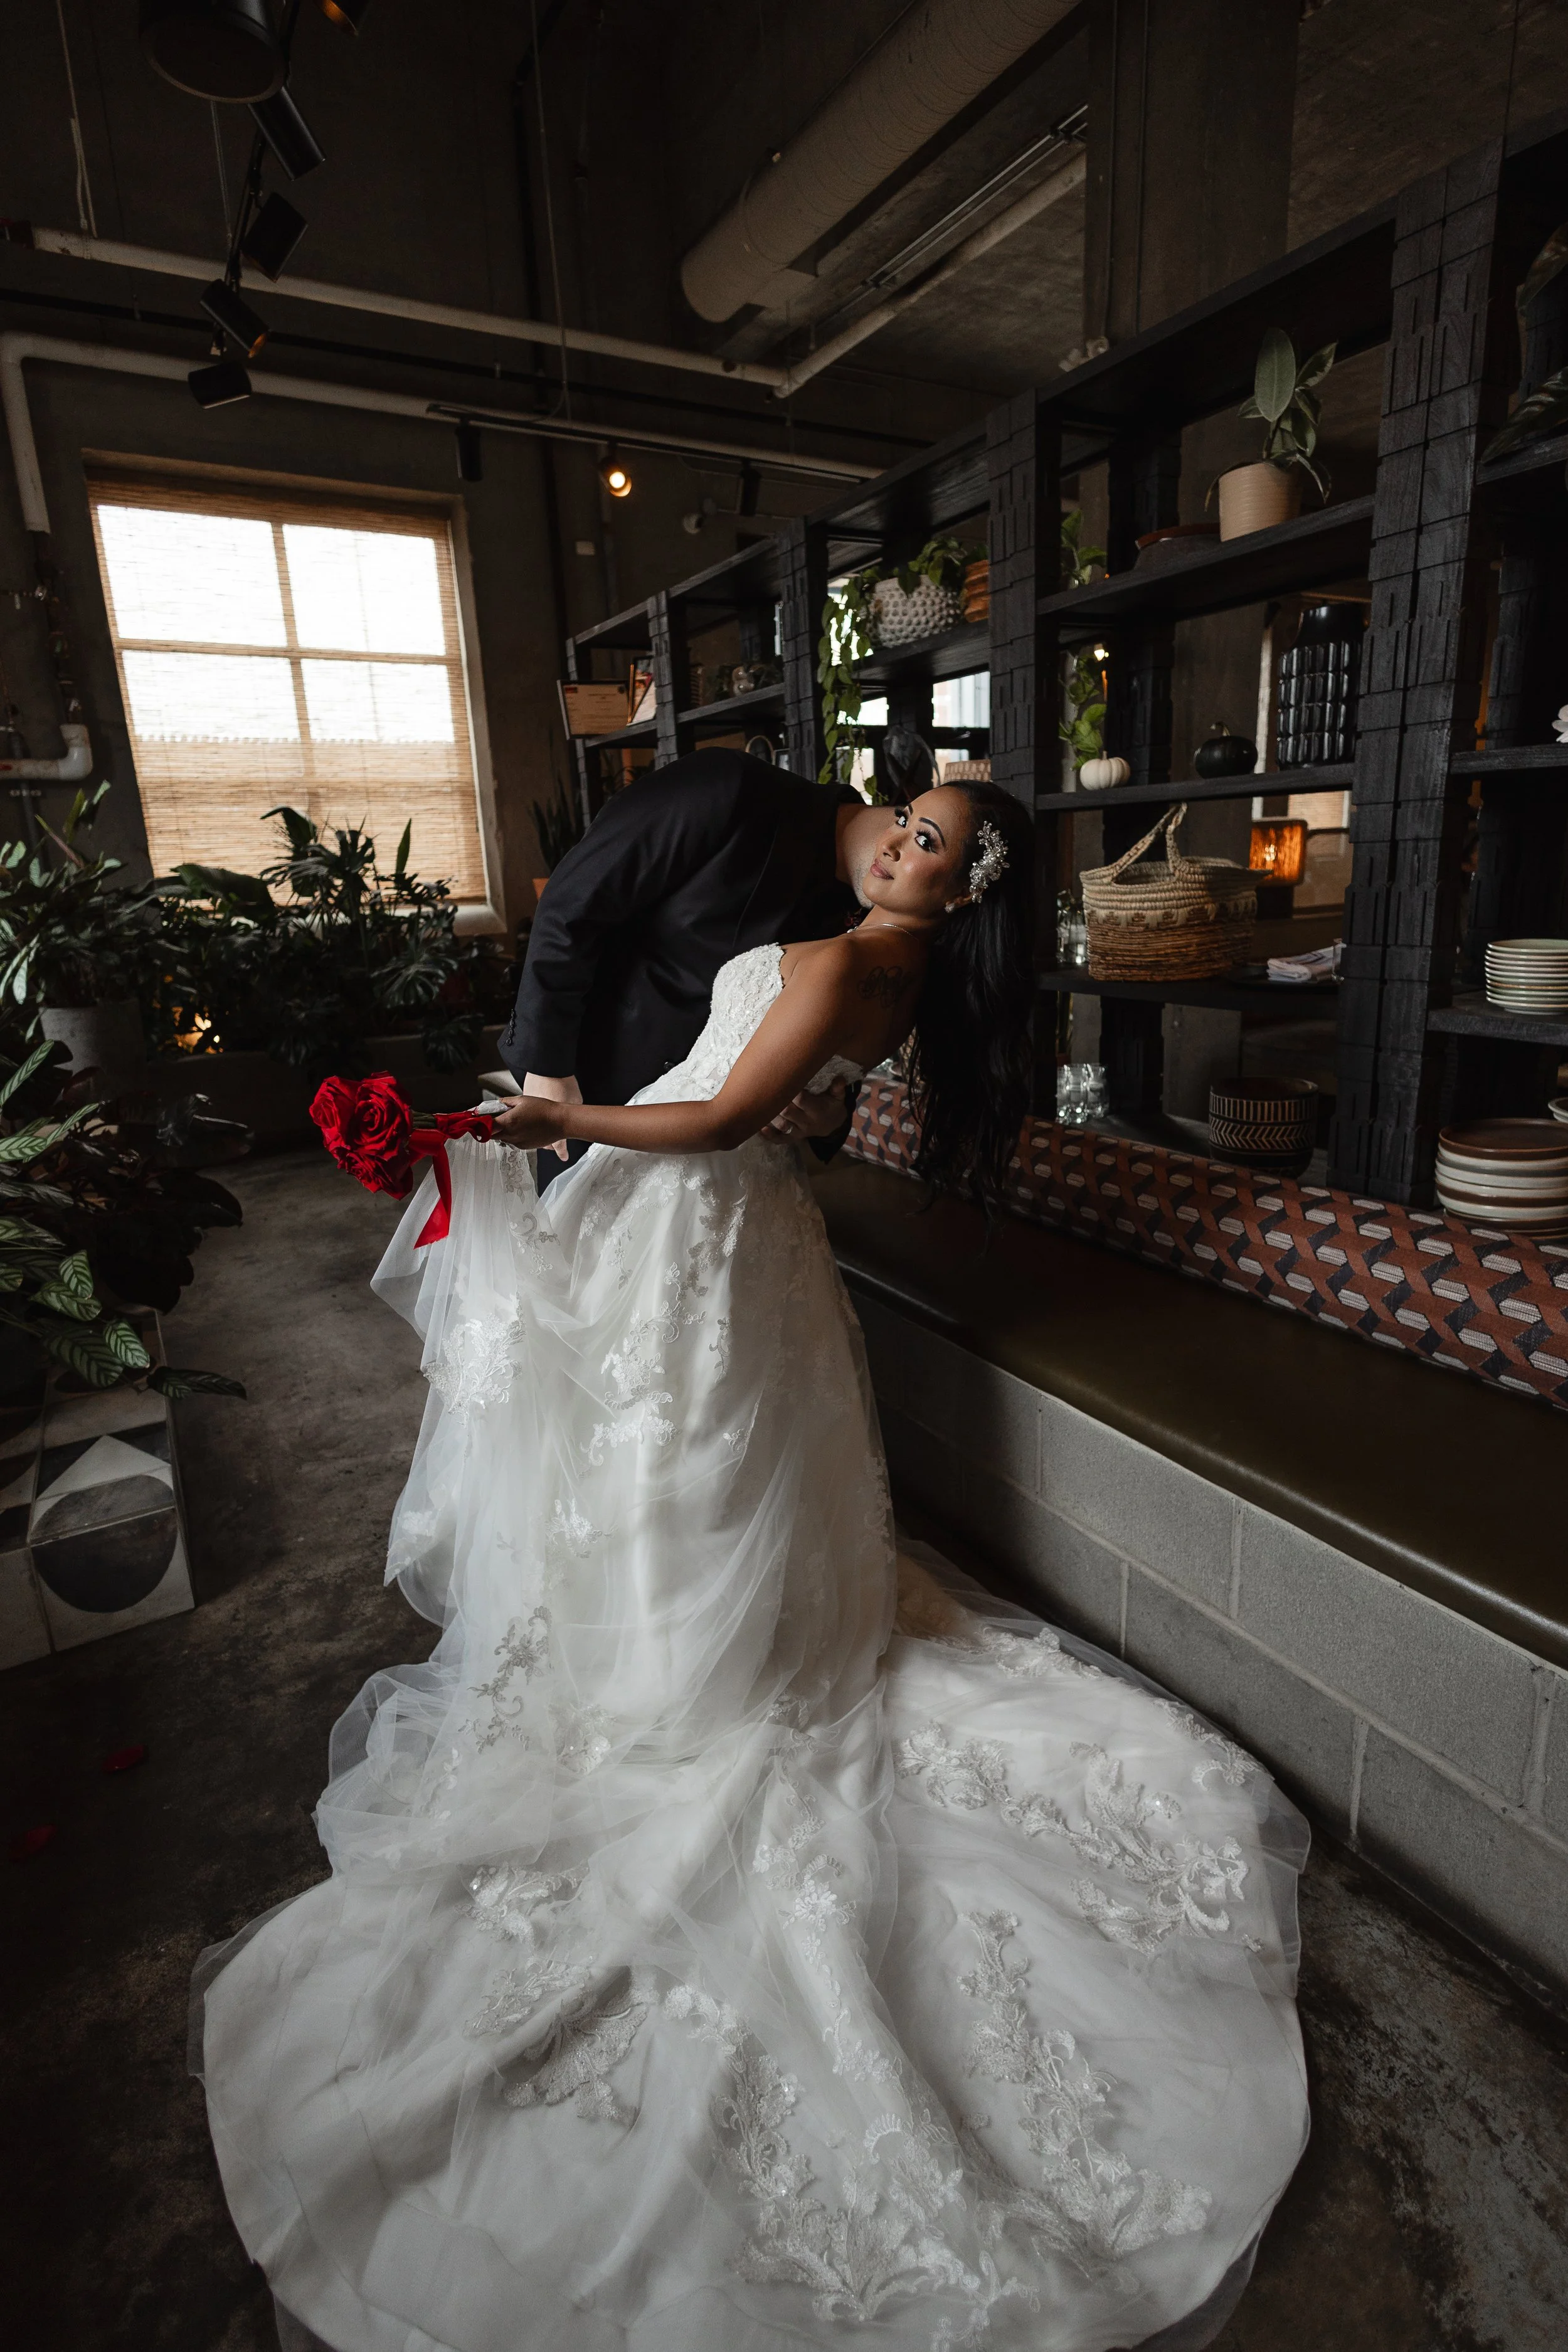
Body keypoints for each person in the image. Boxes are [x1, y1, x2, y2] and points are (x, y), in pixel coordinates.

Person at [195, 779, 1309, 2352]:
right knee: (686, 1464)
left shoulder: (854, 959)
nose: (903, 839)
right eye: (909, 818)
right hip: (736, 1229)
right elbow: (790, 1100)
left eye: (936, 842)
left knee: (675, 1459)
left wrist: (560, 1119)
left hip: (699, 1211)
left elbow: (719, 1117)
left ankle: (680, 1677)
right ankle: (667, 1641)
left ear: (964, 888)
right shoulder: (884, 966)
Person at [500, 744, 891, 1177]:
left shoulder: (883, 925)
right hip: (593, 1098)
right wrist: (548, 1067)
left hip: (729, 1163)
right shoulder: (728, 785)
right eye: (926, 841)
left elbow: (838, 1048)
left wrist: (830, 1119)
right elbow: (572, 903)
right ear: (909, 817)